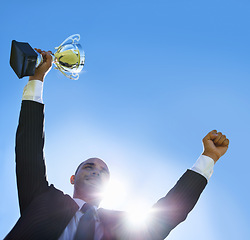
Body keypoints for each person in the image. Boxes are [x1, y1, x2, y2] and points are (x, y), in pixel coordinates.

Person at [5, 50, 229, 240]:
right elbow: (29, 151)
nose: (96, 171)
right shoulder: (43, 199)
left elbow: (171, 211)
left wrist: (208, 158)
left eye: (103, 171)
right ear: (72, 179)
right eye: (89, 166)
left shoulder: (125, 227)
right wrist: (37, 78)